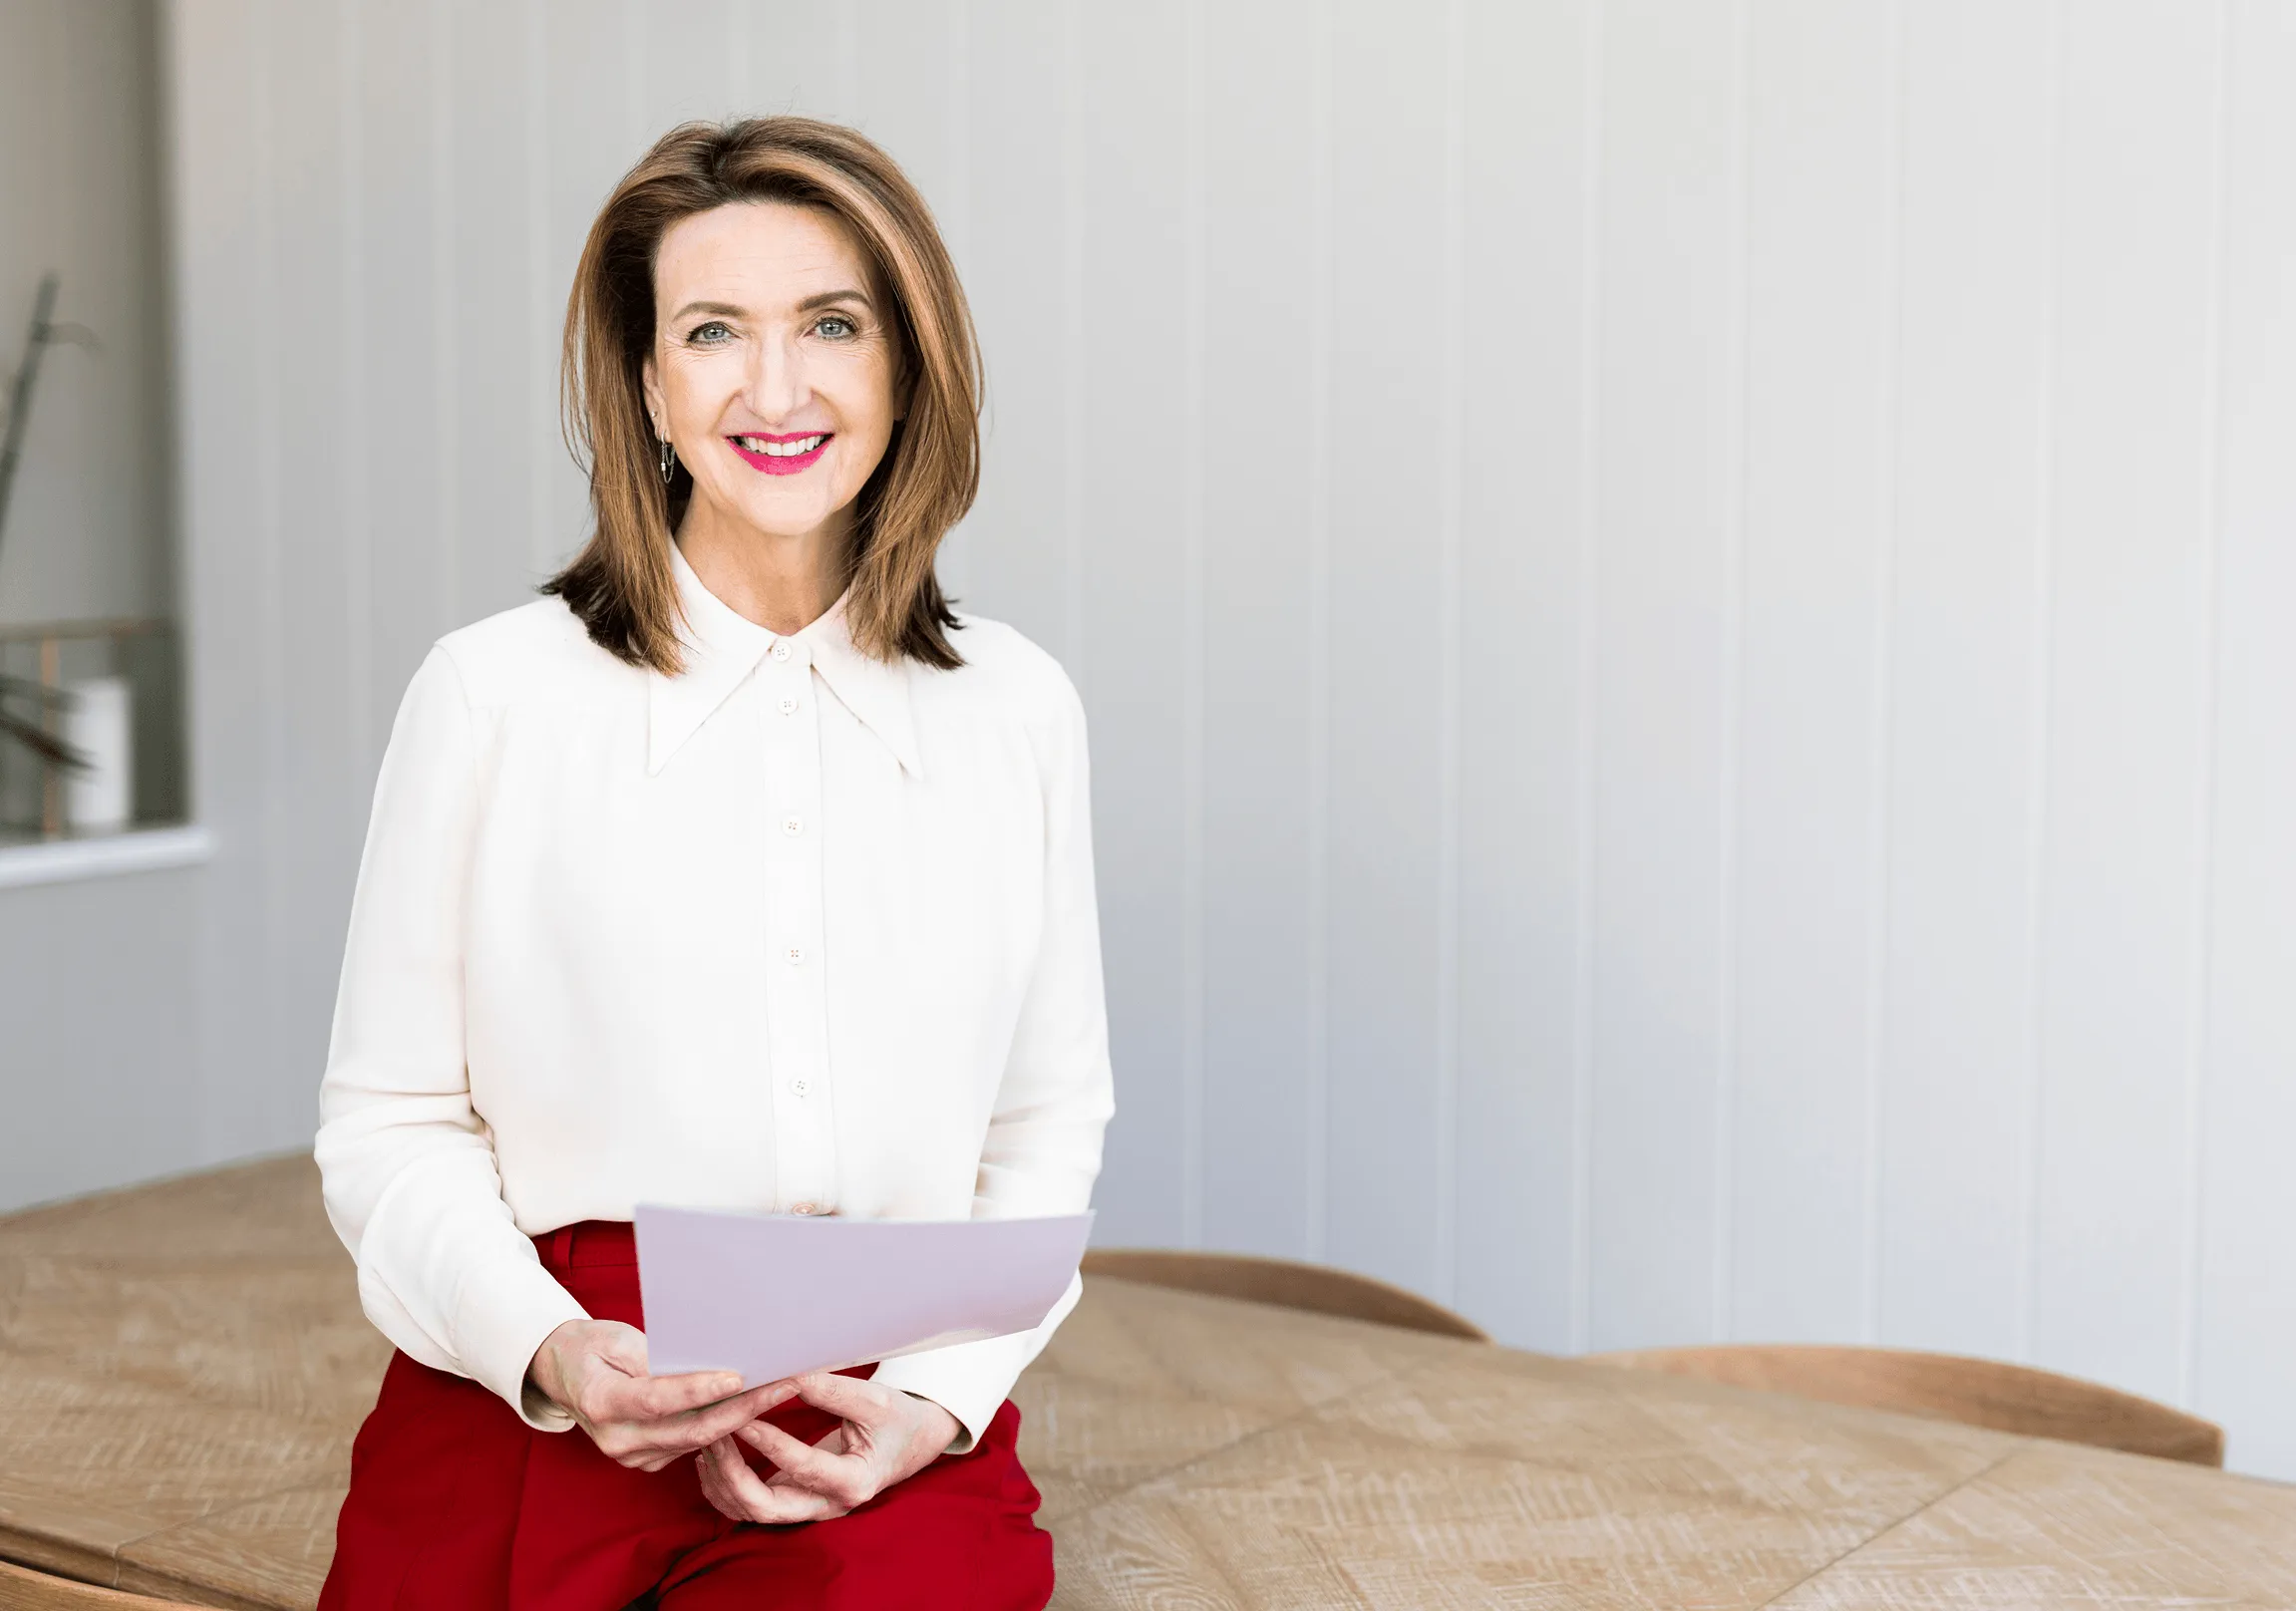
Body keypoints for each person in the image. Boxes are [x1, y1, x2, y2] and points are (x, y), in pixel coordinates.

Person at [313, 116, 1113, 1610]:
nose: (776, 387)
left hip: (878, 1408)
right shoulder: (492, 695)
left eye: (830, 323)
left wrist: (938, 1400)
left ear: (905, 363)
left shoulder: (1018, 710)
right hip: (542, 1372)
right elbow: (389, 1122)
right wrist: (547, 1348)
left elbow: (1044, 1122)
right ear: (646, 382)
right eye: (711, 331)